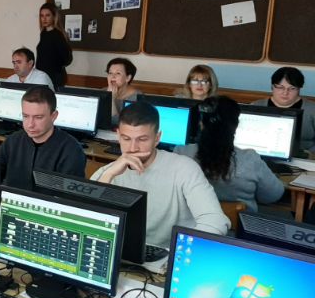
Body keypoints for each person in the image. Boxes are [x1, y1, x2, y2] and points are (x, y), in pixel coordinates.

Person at [91, 102, 229, 249]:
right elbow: (85, 219)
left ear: (157, 138)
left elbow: (216, 221)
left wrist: (179, 252)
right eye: (126, 139)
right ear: (118, 135)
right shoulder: (107, 172)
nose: (132, 148)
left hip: (171, 253)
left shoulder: (185, 169)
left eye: (142, 139)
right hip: (122, 252)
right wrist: (109, 175)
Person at [175, 96, 284, 212]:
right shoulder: (250, 160)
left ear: (201, 124)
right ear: (235, 127)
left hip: (191, 222)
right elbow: (273, 195)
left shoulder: (181, 154)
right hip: (237, 223)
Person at [0, 86, 86, 189]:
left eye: (38, 117)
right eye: (25, 116)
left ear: (54, 116)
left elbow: (69, 194)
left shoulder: (71, 151)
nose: (30, 124)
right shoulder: (12, 142)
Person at [253, 66, 315, 151]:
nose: (285, 93)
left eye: (292, 88)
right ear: (272, 86)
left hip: (304, 156)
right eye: (280, 87)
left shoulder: (312, 109)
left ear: (299, 89)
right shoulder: (256, 106)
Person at [35, 2, 73, 88]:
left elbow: (67, 59)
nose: (44, 19)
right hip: (42, 78)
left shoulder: (58, 35)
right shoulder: (43, 33)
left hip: (54, 79)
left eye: (47, 15)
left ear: (54, 17)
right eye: (42, 16)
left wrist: (54, 66)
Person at [106, 57, 142, 126]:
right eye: (110, 73)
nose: (113, 76)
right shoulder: (102, 91)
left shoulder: (137, 97)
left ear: (128, 78)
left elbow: (121, 124)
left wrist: (111, 99)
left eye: (118, 73)